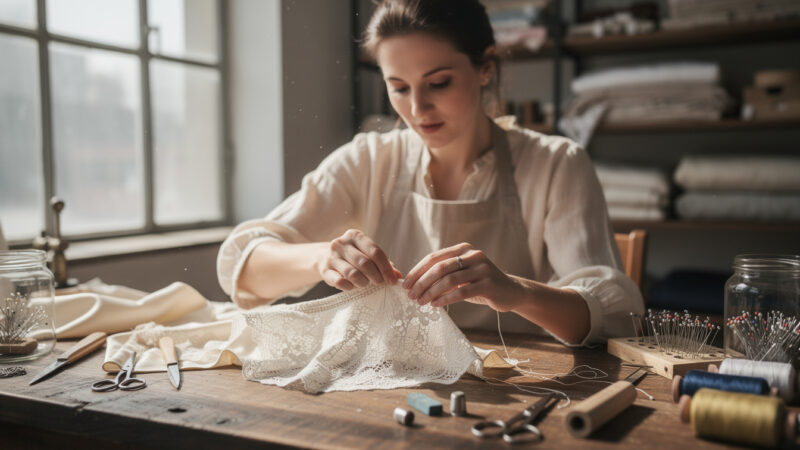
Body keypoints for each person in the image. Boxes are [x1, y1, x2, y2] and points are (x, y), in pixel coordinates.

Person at [217, 0, 643, 346]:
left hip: (519, 389)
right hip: (392, 386)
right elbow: (243, 267)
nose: (417, 110)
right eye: (399, 88)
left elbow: (616, 314)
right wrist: (322, 256)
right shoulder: (369, 160)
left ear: (485, 68)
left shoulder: (556, 165)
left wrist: (514, 291)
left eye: (438, 83)